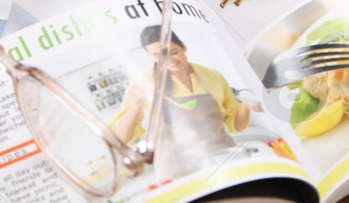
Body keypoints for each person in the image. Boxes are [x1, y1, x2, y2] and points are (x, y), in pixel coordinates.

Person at [108, 26, 262, 181]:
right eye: (158, 56)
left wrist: (245, 107)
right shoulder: (144, 82)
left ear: (183, 46)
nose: (169, 60)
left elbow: (236, 126)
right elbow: (121, 139)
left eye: (173, 52)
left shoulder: (212, 76)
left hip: (224, 158)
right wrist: (135, 107)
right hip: (178, 170)